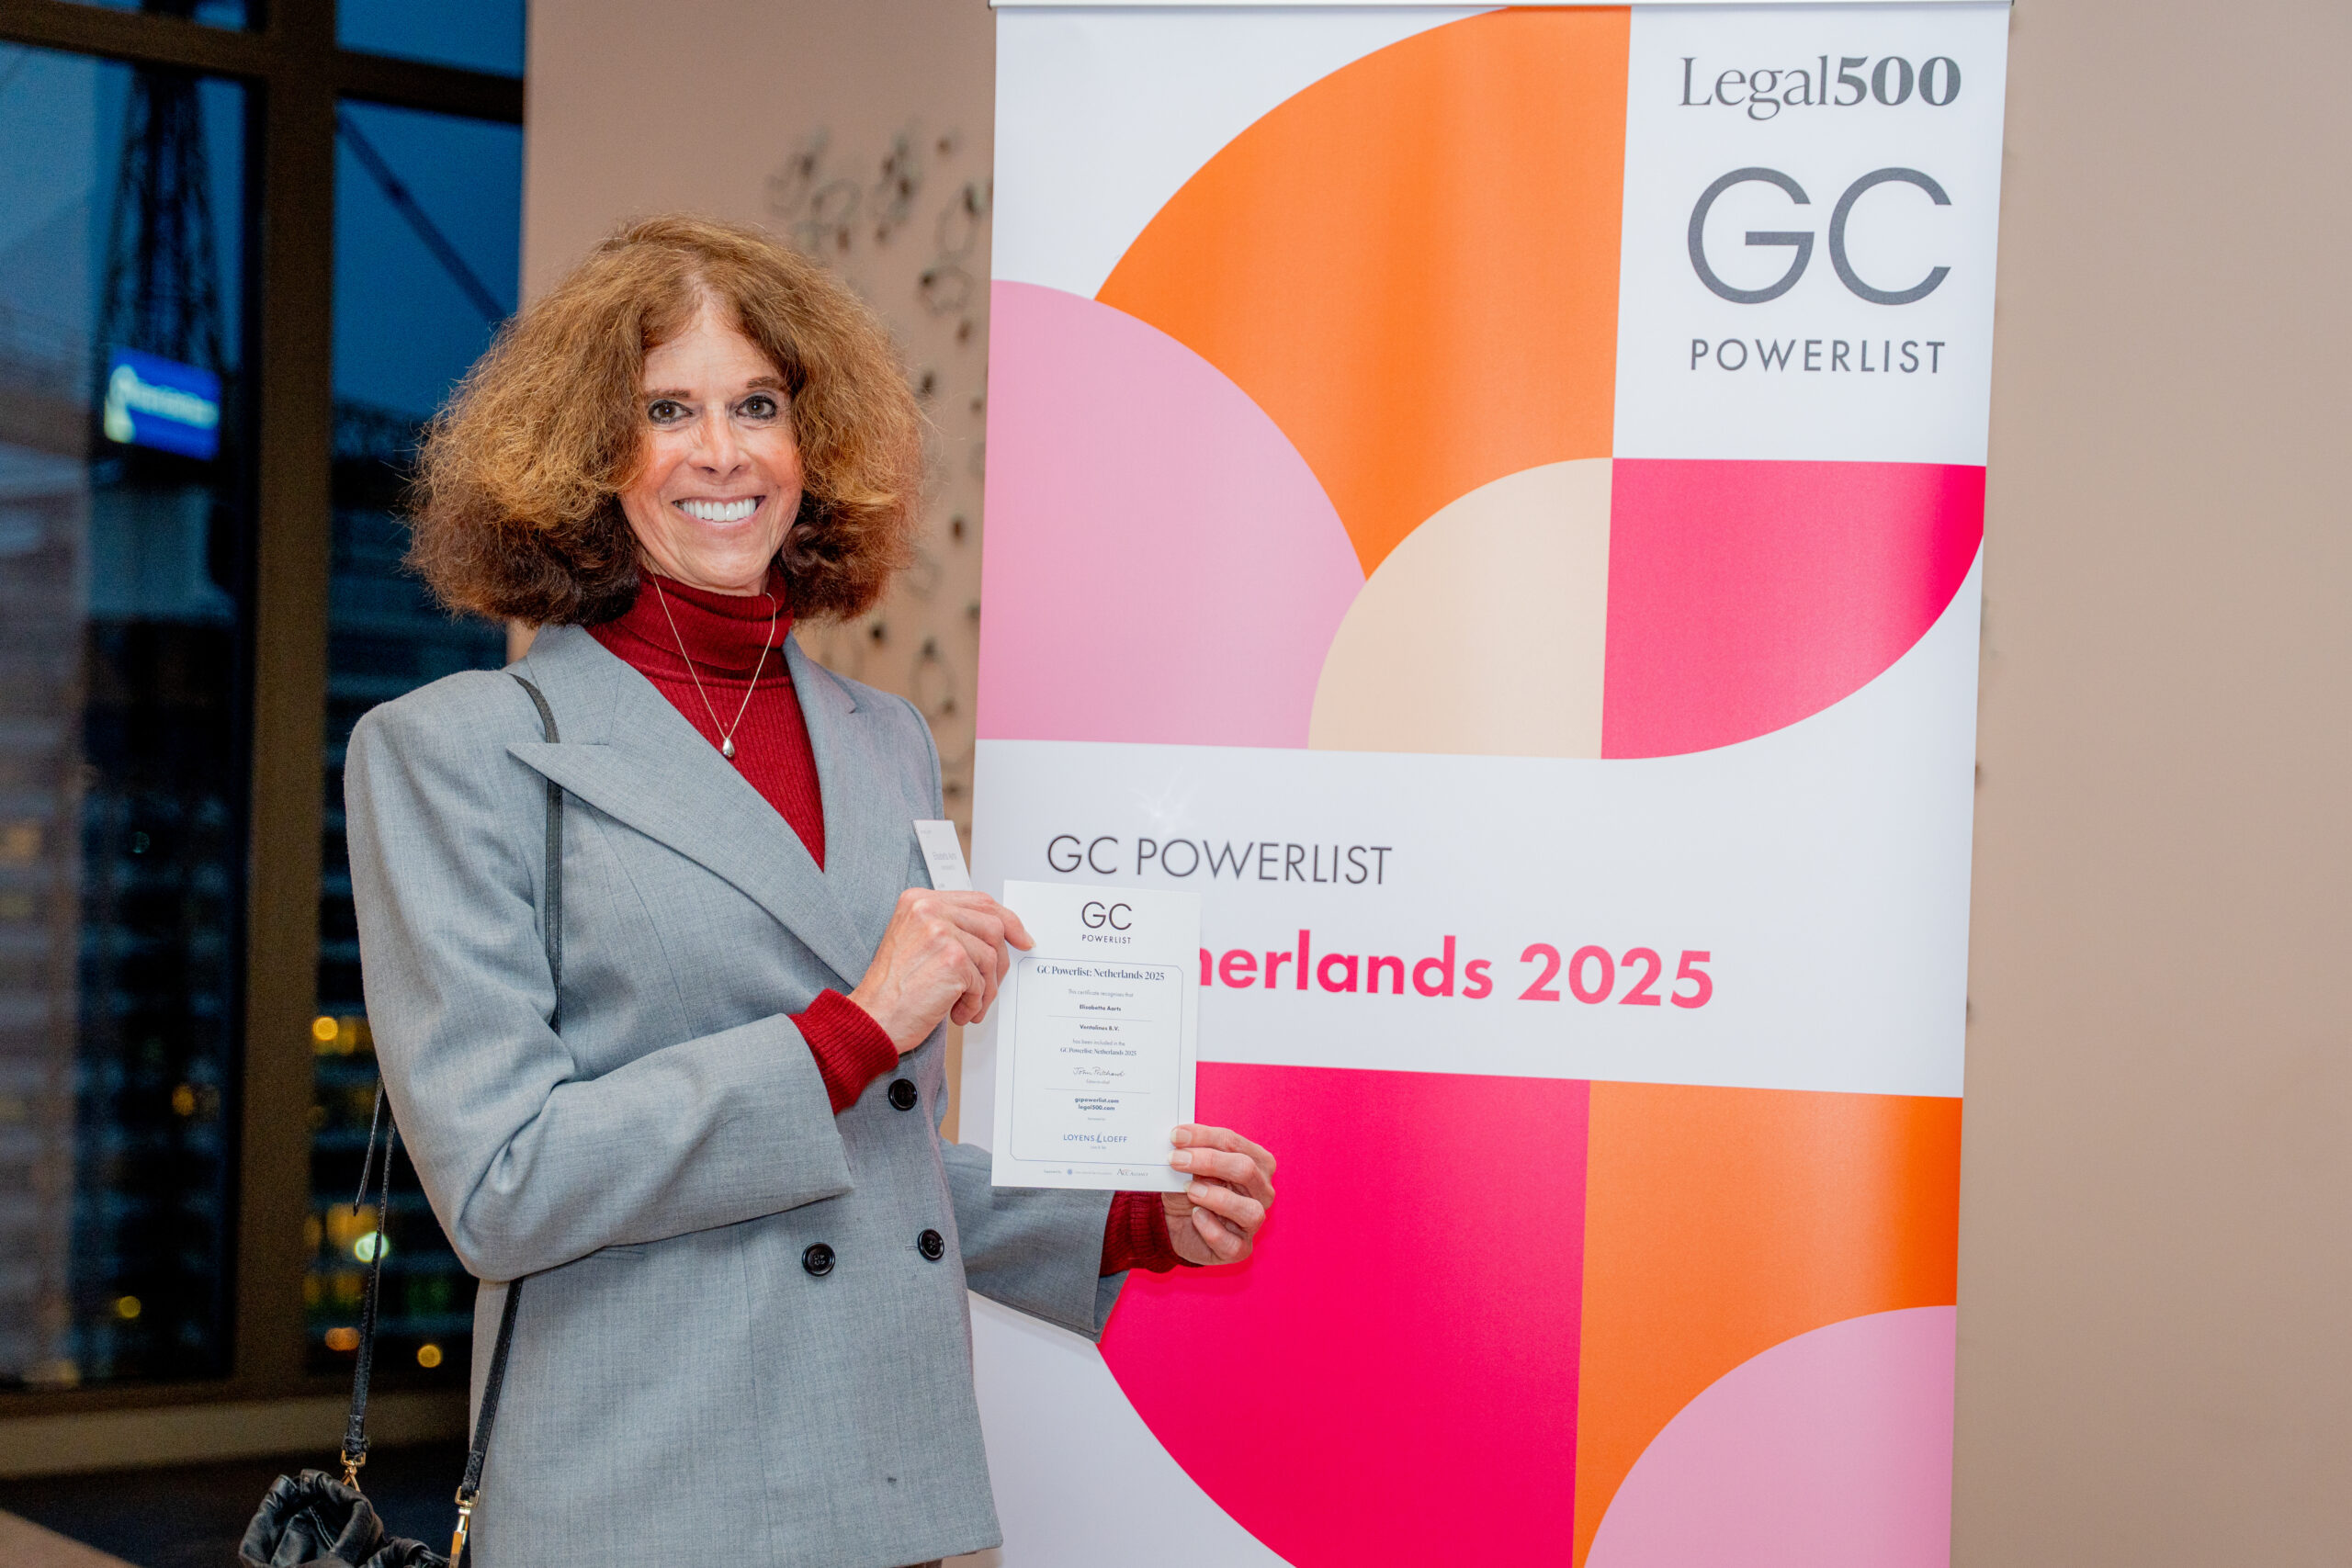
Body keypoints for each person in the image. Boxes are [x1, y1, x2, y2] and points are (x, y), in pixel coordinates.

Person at [346, 214, 1277, 1567]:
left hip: (883, 1481)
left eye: (759, 405)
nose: (721, 452)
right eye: (666, 410)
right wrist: (850, 1028)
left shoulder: (882, 737)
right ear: (586, 456)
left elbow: (879, 1147)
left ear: (813, 443)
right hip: (645, 1498)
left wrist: (1131, 1217)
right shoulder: (455, 751)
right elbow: (504, 1186)